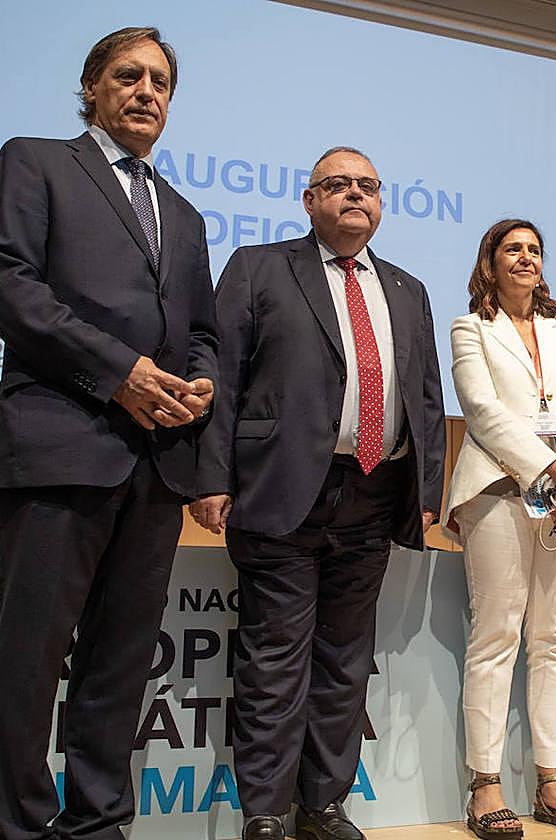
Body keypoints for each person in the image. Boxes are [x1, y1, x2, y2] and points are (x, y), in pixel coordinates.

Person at [188, 147, 445, 840]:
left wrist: (425, 489)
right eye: (338, 185)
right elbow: (224, 379)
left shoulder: (407, 288)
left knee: (344, 659)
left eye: (367, 187)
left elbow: (425, 398)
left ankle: (322, 805)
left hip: (374, 492)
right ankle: (266, 811)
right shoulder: (257, 268)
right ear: (308, 201)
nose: (354, 196)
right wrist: (210, 475)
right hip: (280, 489)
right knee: (275, 660)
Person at [0, 27, 218, 840]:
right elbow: (11, 284)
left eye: (161, 81)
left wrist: (200, 385)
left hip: (155, 461)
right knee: (26, 658)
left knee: (121, 663)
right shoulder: (35, 160)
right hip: (59, 443)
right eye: (128, 76)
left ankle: (97, 825)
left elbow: (201, 330)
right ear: (93, 86)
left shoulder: (187, 214)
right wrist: (118, 371)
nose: (147, 92)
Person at [444, 219, 556, 839]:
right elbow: (482, 411)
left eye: (534, 250)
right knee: (495, 637)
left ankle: (551, 781)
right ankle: (485, 786)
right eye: (512, 249)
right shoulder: (469, 327)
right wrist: (547, 470)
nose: (525, 258)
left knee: (555, 639)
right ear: (489, 262)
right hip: (498, 488)